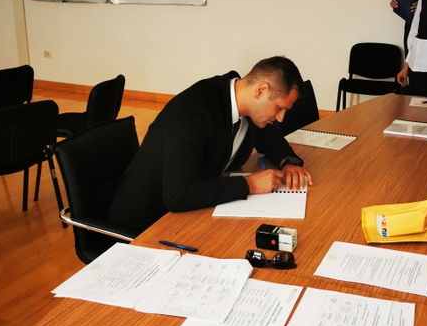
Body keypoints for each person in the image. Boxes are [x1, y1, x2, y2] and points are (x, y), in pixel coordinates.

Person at [107, 56, 313, 235]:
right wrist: (249, 185)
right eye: (279, 108)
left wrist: (289, 162)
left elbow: (270, 139)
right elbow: (178, 196)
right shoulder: (193, 113)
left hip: (193, 215)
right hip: (145, 224)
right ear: (261, 91)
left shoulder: (246, 104)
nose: (280, 118)